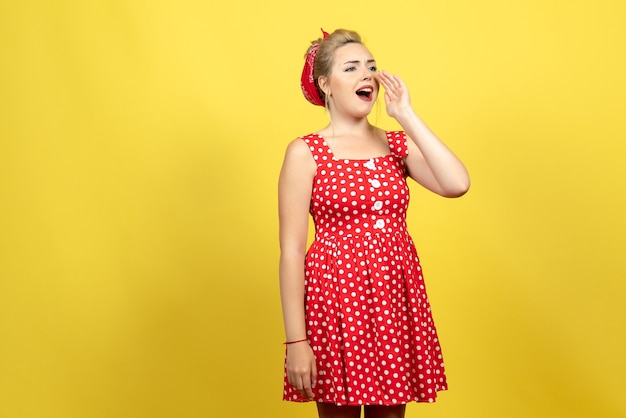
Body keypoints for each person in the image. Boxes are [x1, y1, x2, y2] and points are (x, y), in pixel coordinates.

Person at [278, 28, 470, 418]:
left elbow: (457, 184)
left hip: (393, 302)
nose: (367, 75)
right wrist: (296, 340)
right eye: (351, 68)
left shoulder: (396, 144)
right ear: (325, 84)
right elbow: (292, 252)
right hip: (333, 304)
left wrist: (407, 116)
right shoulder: (305, 153)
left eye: (371, 67)